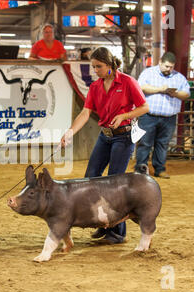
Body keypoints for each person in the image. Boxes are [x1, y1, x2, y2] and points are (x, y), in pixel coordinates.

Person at [60, 47, 149, 244]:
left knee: (114, 184)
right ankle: (102, 224)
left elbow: (145, 107)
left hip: (123, 137)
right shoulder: (95, 87)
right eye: (93, 67)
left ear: (109, 65)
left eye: (98, 67)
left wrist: (124, 116)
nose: (95, 71)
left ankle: (117, 232)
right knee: (91, 178)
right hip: (105, 136)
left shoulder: (127, 82)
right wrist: (70, 132)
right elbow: (85, 113)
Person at [135, 52, 190, 179]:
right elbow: (141, 87)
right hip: (148, 115)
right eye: (166, 66)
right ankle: (140, 170)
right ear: (160, 62)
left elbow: (186, 94)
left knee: (163, 144)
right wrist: (160, 89)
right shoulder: (148, 73)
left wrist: (175, 93)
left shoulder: (179, 77)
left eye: (171, 67)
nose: (168, 69)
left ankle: (160, 169)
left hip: (169, 117)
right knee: (145, 143)